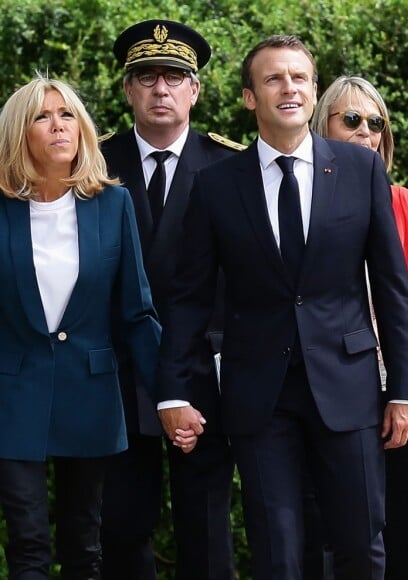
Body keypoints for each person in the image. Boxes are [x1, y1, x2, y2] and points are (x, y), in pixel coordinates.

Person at [156, 34, 408, 580]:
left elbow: (392, 288)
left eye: (299, 77)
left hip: (348, 386)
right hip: (259, 394)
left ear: (314, 89)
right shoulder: (215, 185)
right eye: (274, 78)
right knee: (277, 552)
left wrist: (403, 390)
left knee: (360, 543)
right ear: (251, 98)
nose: (289, 88)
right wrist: (173, 391)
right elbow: (189, 298)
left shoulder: (360, 169)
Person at [0, 75, 160, 579]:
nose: (58, 126)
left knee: (84, 547)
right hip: (11, 396)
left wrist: (173, 394)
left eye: (67, 114)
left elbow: (137, 311)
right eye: (42, 117)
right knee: (27, 544)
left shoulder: (112, 205)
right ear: (19, 134)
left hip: (91, 393)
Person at [100, 19, 242, 580]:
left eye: (176, 76)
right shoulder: (93, 166)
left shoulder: (232, 166)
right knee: (120, 527)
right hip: (116, 372)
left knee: (207, 530)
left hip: (206, 373)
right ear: (129, 88)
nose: (162, 89)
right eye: (147, 77)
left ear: (196, 90)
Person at [310, 75, 408, 579]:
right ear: (321, 123)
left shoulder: (406, 204)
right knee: (331, 537)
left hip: (406, 386)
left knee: (404, 537)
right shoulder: (295, 202)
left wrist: (383, 328)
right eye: (351, 119)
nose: (365, 130)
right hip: (328, 389)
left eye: (376, 123)